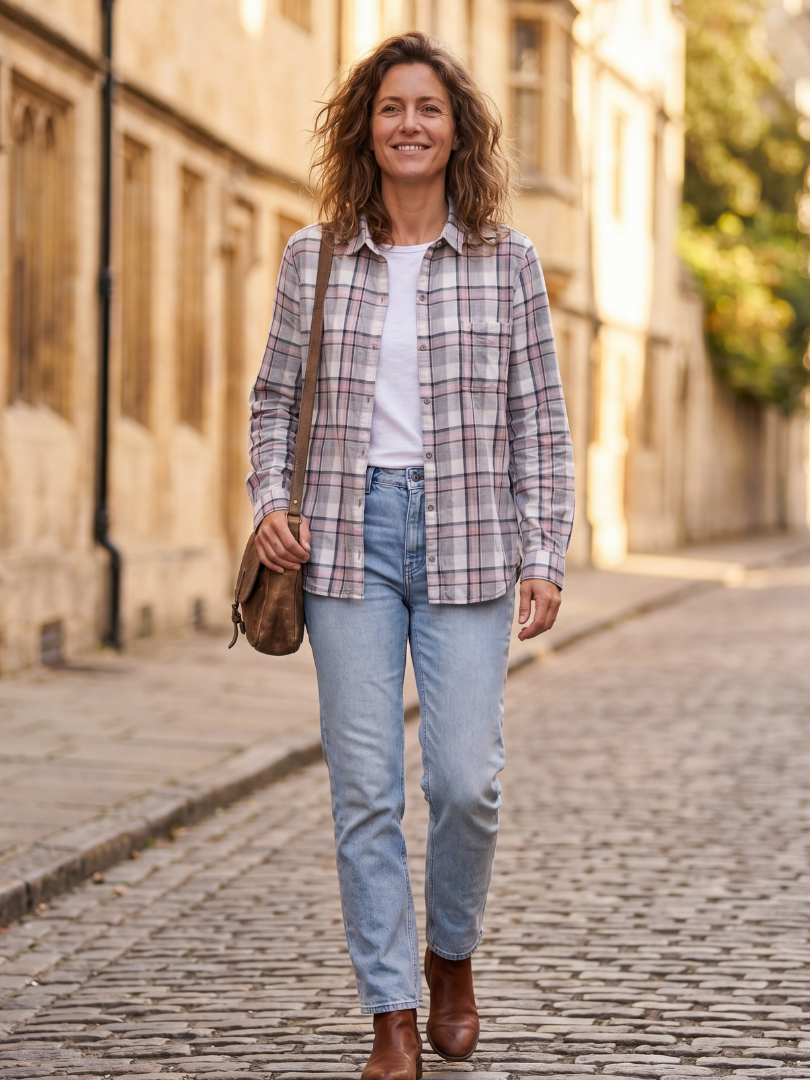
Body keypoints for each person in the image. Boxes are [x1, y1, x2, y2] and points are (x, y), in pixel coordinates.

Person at [247, 31, 574, 1080]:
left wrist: (546, 551)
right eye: (391, 108)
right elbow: (271, 401)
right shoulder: (316, 257)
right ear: (366, 128)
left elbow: (542, 422)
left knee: (467, 781)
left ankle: (452, 957)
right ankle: (390, 1013)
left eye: (427, 108)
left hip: (470, 538)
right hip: (346, 542)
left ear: (456, 128)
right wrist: (268, 501)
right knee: (366, 789)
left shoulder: (507, 260)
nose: (409, 125)